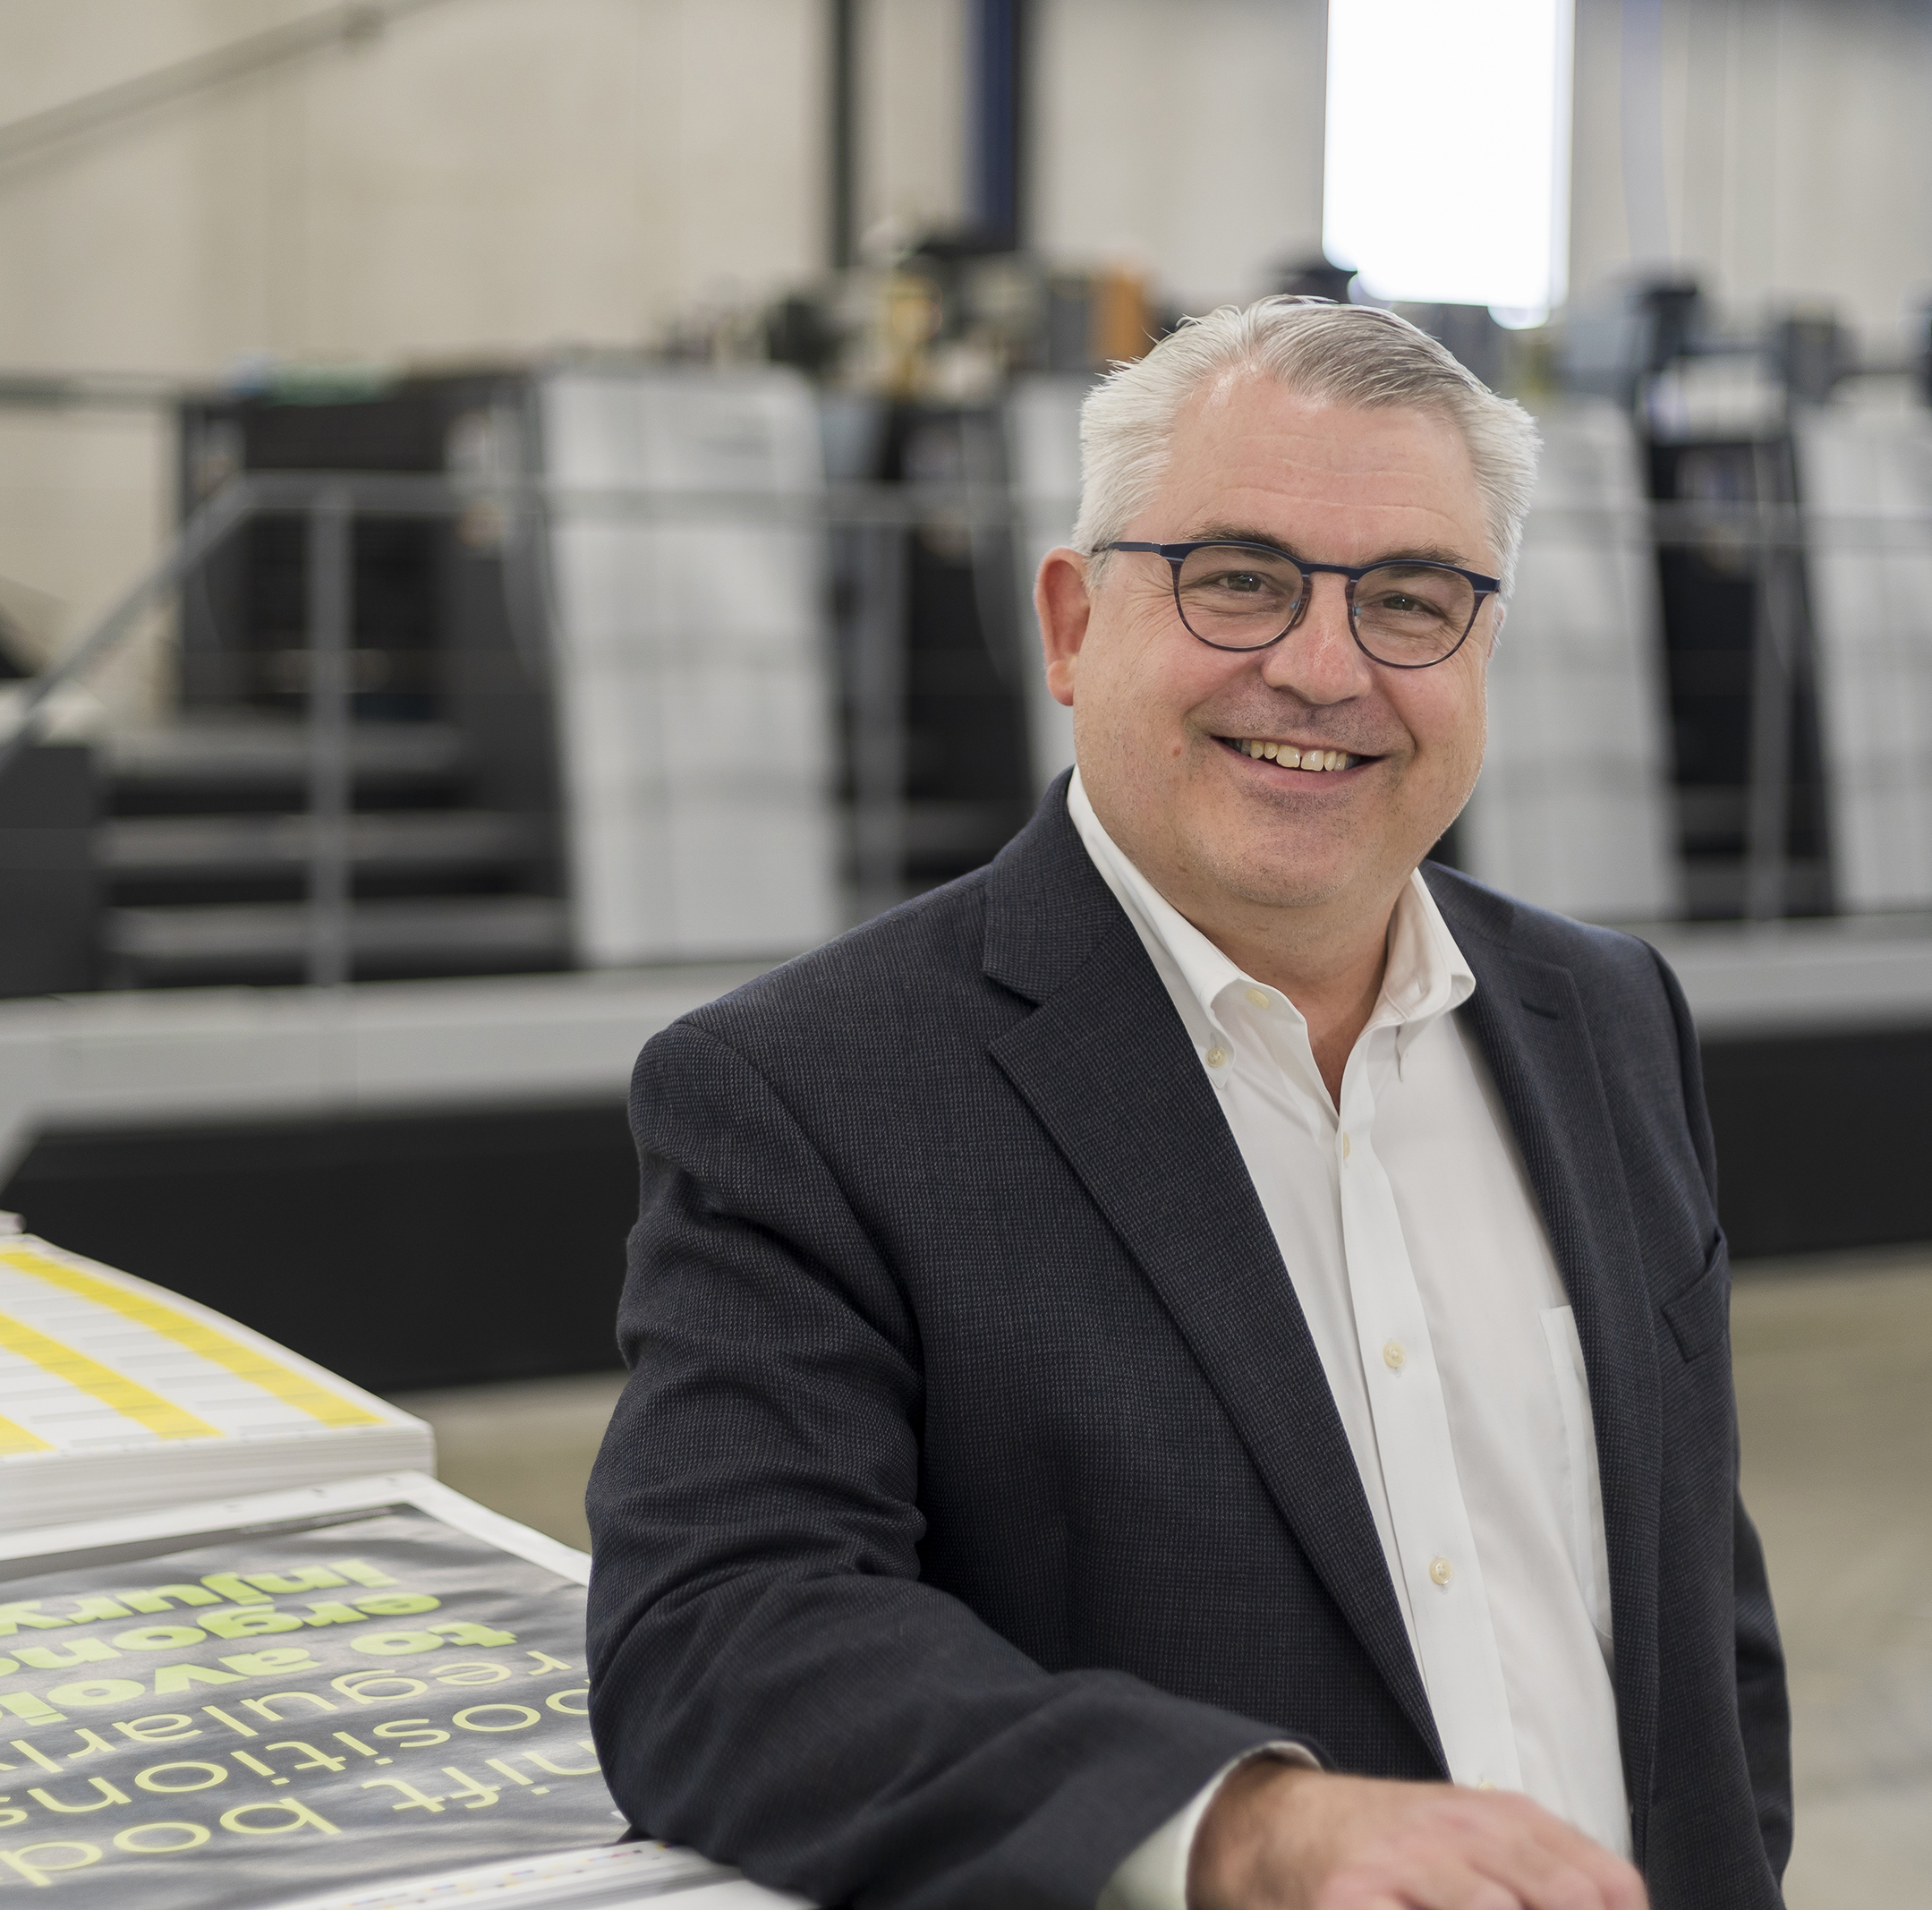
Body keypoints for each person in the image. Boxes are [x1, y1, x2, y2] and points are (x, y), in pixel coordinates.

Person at [584, 298, 1789, 1910]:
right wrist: (1244, 1831)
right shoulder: (811, 1093)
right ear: (1074, 624)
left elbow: (1694, 1604)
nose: (1323, 668)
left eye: (1411, 600)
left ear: (1482, 648)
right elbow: (718, 1641)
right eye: (1238, 579)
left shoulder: (1609, 1017)